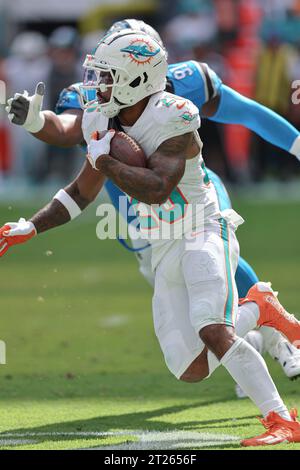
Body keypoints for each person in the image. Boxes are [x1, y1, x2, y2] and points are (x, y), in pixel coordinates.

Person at [2, 29, 300, 447]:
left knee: (211, 326)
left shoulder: (175, 112)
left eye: (107, 76)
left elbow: (158, 187)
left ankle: (281, 420)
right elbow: (78, 185)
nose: (97, 85)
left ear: (136, 77)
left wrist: (104, 157)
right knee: (189, 367)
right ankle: (260, 307)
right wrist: (32, 226)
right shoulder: (100, 115)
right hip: (159, 242)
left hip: (200, 225)